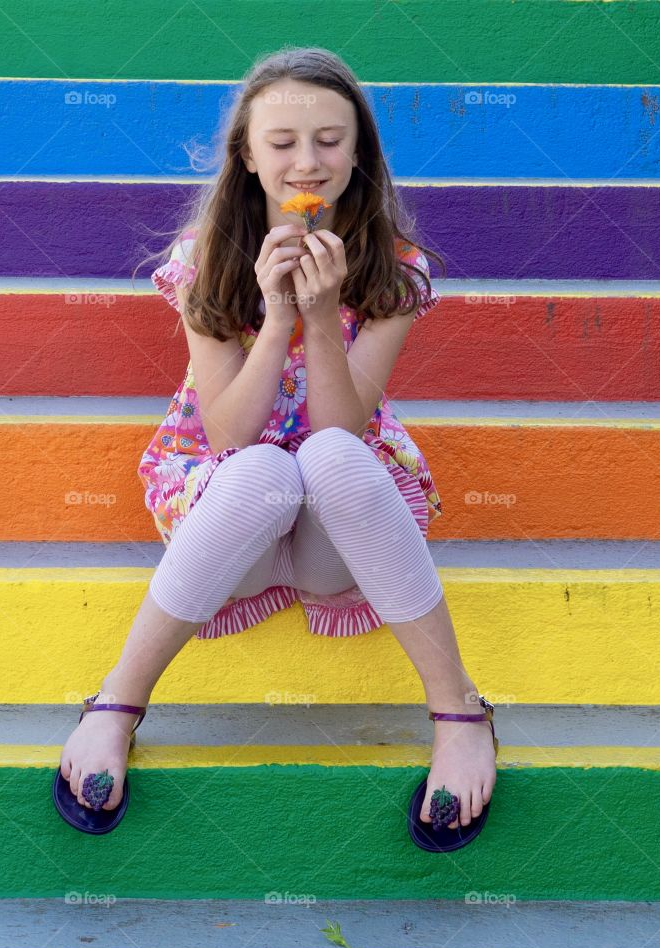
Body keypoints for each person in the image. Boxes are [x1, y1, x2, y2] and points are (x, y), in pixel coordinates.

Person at [57, 46, 497, 835]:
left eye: (330, 140)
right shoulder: (208, 260)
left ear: (359, 152)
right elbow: (227, 431)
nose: (307, 161)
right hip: (238, 508)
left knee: (328, 456)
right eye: (283, 143)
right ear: (248, 157)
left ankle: (459, 711)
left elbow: (340, 427)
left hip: (341, 525)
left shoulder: (394, 267)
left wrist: (323, 317)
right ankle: (116, 704)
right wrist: (279, 314)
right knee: (263, 468)